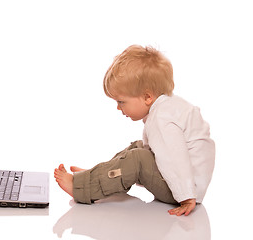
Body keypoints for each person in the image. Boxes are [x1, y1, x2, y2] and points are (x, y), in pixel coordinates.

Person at [54, 45, 215, 216]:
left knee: (137, 159)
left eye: (122, 102)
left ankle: (81, 188)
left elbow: (176, 158)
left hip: (182, 190)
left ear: (147, 97)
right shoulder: (168, 107)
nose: (118, 107)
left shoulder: (162, 118)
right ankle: (93, 177)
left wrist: (186, 196)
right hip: (186, 183)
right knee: (138, 147)